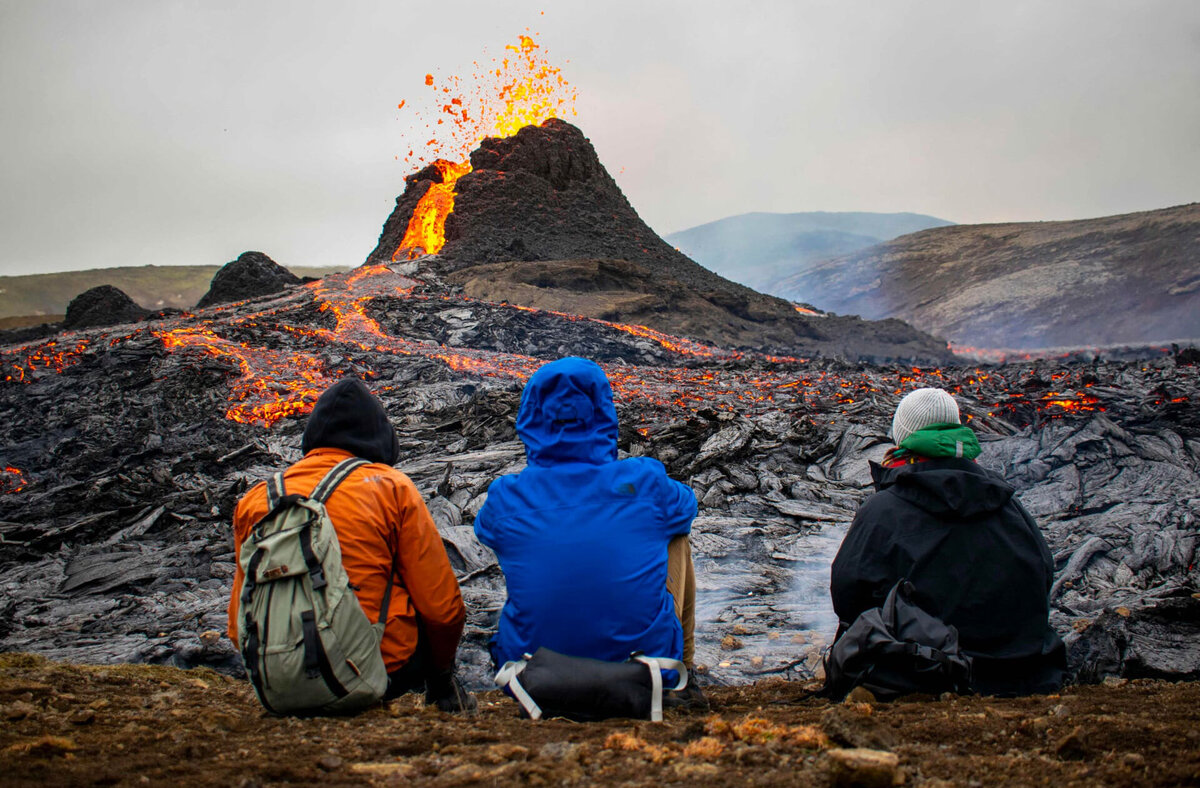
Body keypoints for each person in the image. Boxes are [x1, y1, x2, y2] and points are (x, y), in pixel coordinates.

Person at [227, 377, 474, 712]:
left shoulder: (257, 499)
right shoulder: (391, 487)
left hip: (278, 675)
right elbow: (442, 610)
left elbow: (237, 621)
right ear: (382, 438)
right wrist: (442, 675)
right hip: (380, 670)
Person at [474, 357, 706, 707]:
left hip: (530, 676)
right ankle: (683, 676)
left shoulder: (507, 497)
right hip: (644, 672)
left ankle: (548, 636)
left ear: (531, 417)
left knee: (525, 546)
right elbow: (687, 506)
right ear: (603, 412)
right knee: (675, 533)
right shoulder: (644, 481)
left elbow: (486, 531)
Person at [830, 387, 1066, 696]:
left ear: (901, 436)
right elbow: (1043, 574)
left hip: (927, 674)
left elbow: (848, 595)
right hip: (1023, 672)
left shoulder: (883, 511)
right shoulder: (1008, 502)